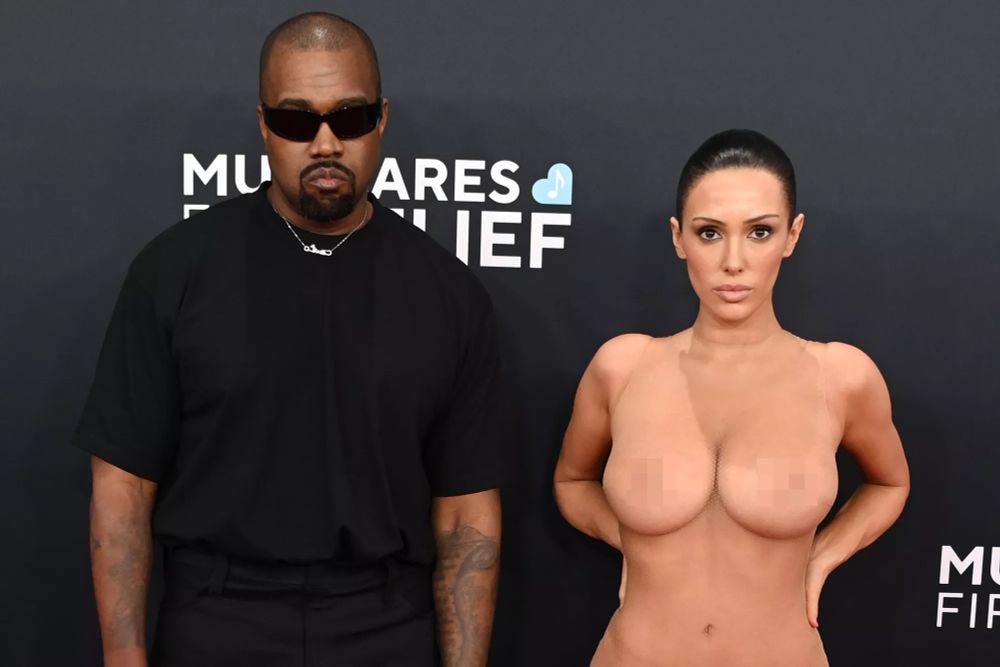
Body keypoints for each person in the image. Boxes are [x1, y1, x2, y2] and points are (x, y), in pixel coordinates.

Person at [75, 12, 503, 667]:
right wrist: (123, 657)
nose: (326, 143)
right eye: (296, 121)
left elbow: (466, 512)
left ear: (381, 119)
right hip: (216, 617)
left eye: (350, 117)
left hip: (385, 625)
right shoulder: (174, 270)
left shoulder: (449, 293)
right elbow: (123, 486)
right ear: (263, 124)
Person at [553, 129, 910, 666]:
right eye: (710, 233)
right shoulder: (622, 367)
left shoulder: (841, 377)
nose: (733, 261)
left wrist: (820, 558)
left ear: (792, 235)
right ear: (679, 238)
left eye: (760, 232)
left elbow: (890, 483)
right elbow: (571, 482)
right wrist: (627, 539)